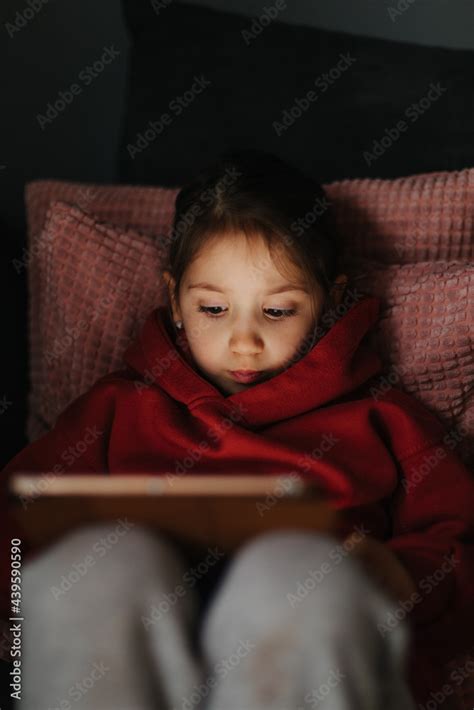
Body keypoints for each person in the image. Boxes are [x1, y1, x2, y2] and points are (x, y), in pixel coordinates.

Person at [0, 149, 473, 709]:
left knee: (292, 575)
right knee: (103, 566)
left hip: (301, 648)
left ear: (330, 299)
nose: (243, 342)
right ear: (175, 299)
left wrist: (395, 572)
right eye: (214, 310)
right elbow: (15, 523)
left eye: (276, 312)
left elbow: (458, 540)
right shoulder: (114, 407)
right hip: (134, 646)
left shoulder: (387, 419)